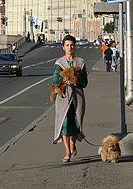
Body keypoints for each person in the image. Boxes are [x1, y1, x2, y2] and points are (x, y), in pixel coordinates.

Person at [51, 35, 88, 163]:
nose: (69, 47)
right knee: (65, 124)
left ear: (75, 47)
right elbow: (55, 80)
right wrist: (64, 79)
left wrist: (76, 81)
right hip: (63, 97)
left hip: (77, 96)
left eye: (71, 45)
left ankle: (73, 143)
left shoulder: (81, 62)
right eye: (67, 45)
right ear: (63, 47)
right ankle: (67, 151)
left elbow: (85, 82)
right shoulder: (59, 63)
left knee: (77, 123)